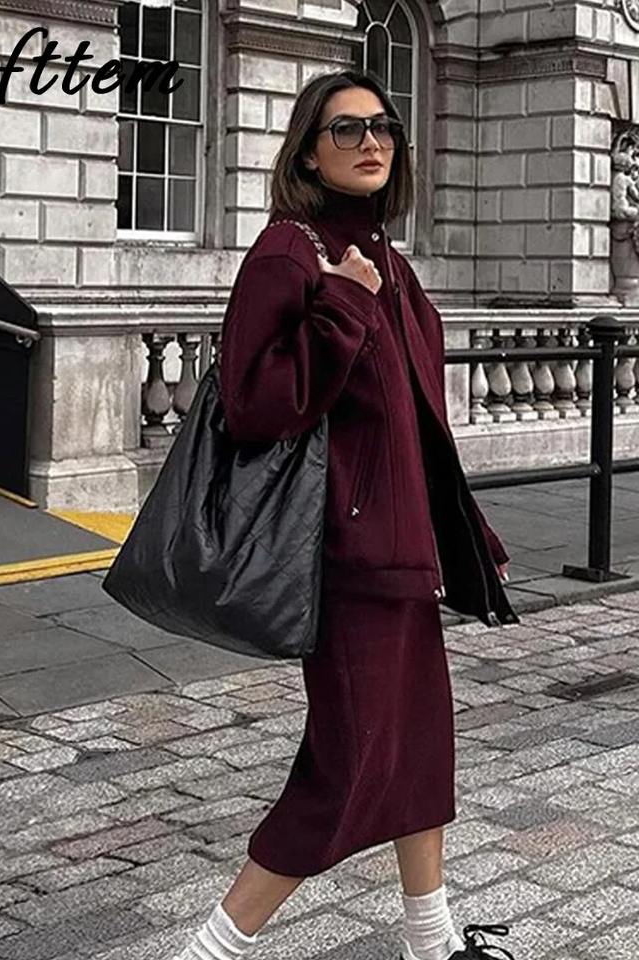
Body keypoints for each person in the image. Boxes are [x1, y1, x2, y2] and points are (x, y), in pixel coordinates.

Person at [171, 69, 518, 960]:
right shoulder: (290, 255)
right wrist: (344, 305)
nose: (371, 142)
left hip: (402, 551)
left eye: (383, 127)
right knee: (347, 764)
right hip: (344, 556)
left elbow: (415, 426)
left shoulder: (388, 262)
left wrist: (465, 532)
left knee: (421, 748)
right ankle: (209, 950)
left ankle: (430, 941)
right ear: (307, 154)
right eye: (346, 129)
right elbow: (254, 404)